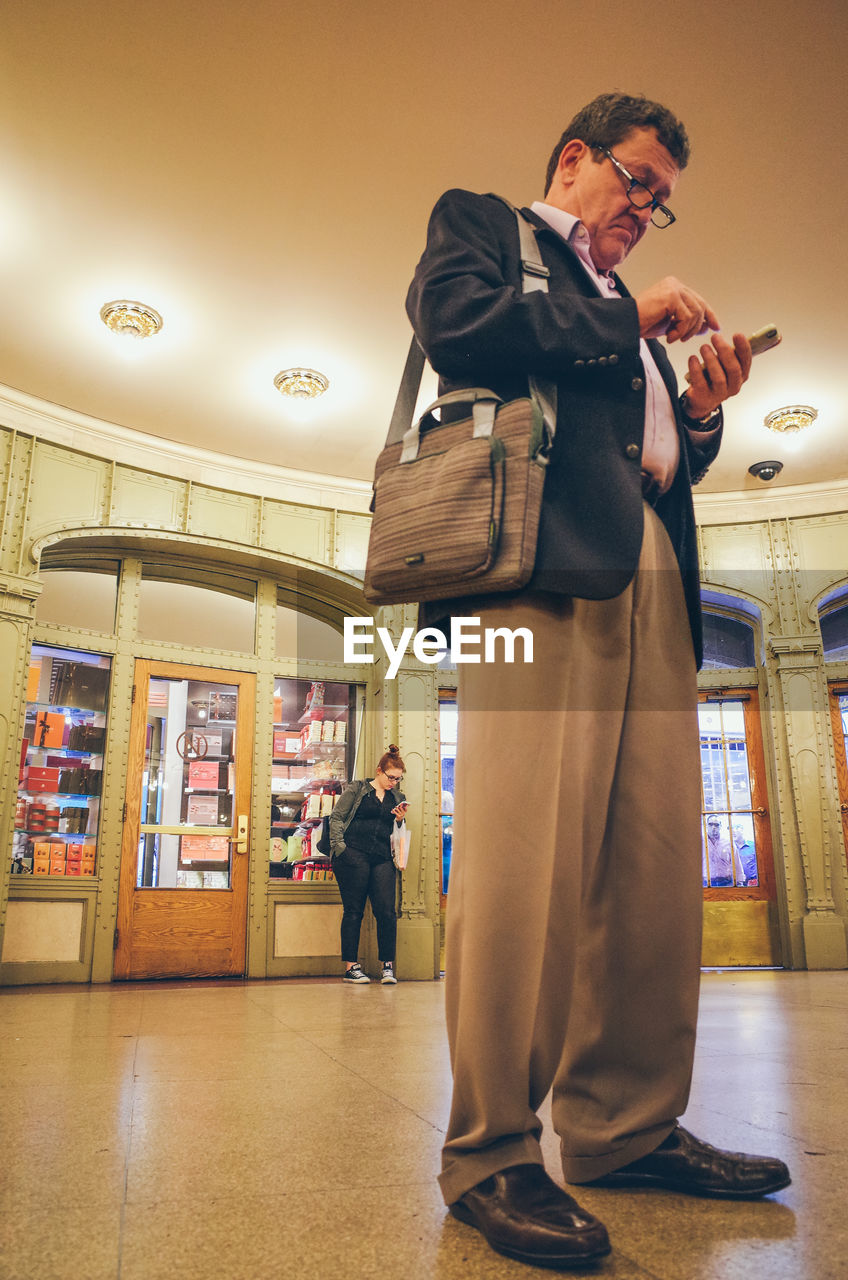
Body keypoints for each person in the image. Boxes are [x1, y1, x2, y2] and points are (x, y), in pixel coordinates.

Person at [405, 92, 790, 1269]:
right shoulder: (483, 227)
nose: (644, 210)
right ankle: (488, 1152)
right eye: (635, 182)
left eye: (659, 201)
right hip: (530, 575)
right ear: (572, 159)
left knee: (651, 868)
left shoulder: (608, 315)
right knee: (523, 863)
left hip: (650, 577)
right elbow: (457, 325)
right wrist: (620, 315)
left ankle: (621, 1124)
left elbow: (652, 456)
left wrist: (702, 413)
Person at [328, 744, 408, 984]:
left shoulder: (398, 798)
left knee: (386, 911)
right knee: (354, 911)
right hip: (353, 854)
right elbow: (337, 818)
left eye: (398, 779)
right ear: (379, 771)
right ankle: (351, 967)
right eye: (391, 777)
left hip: (383, 857)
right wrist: (340, 849)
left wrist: (400, 820)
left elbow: (399, 833)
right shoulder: (358, 789)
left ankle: (387, 967)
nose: (394, 782)